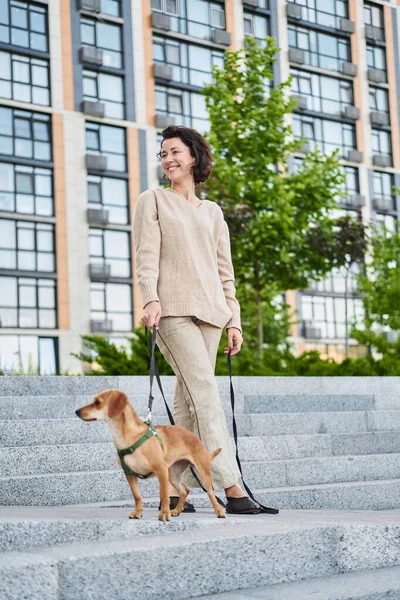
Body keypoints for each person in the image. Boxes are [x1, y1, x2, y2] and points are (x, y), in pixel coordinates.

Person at [132, 125, 260, 514]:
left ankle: (174, 489)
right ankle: (231, 485)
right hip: (170, 311)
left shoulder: (213, 212)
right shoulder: (152, 200)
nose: (168, 160)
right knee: (204, 390)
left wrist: (234, 319)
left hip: (212, 313)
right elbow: (145, 256)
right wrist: (149, 299)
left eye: (175, 152)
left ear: (193, 157)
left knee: (187, 401)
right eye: (163, 154)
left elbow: (226, 271)